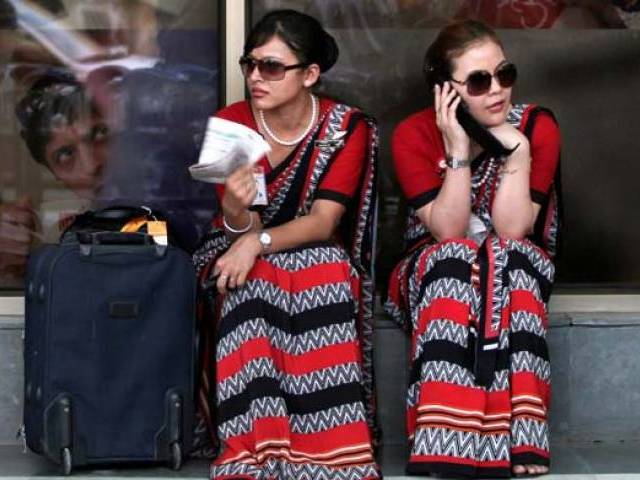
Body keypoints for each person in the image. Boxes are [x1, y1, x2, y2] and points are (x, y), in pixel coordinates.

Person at [191, 9, 380, 480]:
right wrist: (238, 214)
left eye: (272, 66)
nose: (256, 77)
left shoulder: (345, 129)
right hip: (234, 243)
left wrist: (258, 241)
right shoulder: (231, 124)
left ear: (310, 74)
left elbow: (323, 220)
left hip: (308, 243)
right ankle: (257, 448)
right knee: (246, 285)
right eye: (249, 64)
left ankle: (331, 450)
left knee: (325, 274)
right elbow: (239, 225)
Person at [385, 20, 561, 478]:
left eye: (505, 73)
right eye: (479, 82)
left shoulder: (535, 125)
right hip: (432, 266)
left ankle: (519, 441)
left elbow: (514, 228)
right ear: (446, 91)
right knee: (455, 259)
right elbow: (448, 231)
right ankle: (448, 439)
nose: (497, 90)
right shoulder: (414, 135)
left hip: (513, 258)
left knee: (509, 259)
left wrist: (517, 153)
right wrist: (458, 148)